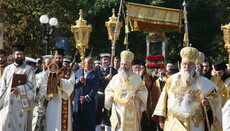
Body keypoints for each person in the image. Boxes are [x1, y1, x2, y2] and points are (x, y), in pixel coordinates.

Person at [152, 47, 222, 131]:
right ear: (180, 65)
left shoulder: (203, 82)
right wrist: (161, 117)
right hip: (173, 121)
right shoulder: (172, 79)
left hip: (195, 121)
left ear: (194, 66)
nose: (187, 67)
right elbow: (163, 99)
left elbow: (216, 97)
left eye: (190, 64)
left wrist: (208, 101)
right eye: (184, 64)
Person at [104, 50, 148, 131]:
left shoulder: (136, 78)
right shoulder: (115, 78)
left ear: (130, 65)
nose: (123, 66)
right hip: (118, 110)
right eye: (122, 64)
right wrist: (109, 97)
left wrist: (138, 95)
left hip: (131, 109)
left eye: (126, 64)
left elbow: (144, 91)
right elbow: (108, 90)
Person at [0, 45, 36, 131]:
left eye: (21, 54)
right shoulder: (8, 69)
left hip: (21, 102)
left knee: (19, 125)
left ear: (23, 55)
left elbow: (32, 85)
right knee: (4, 123)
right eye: (17, 54)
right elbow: (2, 86)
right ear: (13, 56)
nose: (19, 56)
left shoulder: (28, 69)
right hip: (7, 102)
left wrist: (19, 89)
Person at [42, 48, 75, 131]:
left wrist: (59, 81)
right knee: (51, 122)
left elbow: (71, 84)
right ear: (53, 58)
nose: (58, 60)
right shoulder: (48, 71)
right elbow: (43, 84)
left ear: (62, 58)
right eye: (56, 58)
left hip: (62, 99)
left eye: (59, 58)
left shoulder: (69, 71)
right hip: (51, 101)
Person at [73, 57, 99, 131]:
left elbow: (95, 88)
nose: (90, 65)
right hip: (78, 100)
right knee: (77, 120)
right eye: (88, 63)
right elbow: (72, 83)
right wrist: (79, 80)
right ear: (84, 63)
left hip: (89, 102)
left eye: (91, 63)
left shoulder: (95, 74)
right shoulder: (78, 72)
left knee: (88, 122)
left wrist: (86, 97)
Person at [94, 53, 117, 131]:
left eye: (107, 60)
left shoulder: (113, 70)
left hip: (109, 95)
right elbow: (94, 80)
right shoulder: (96, 69)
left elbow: (117, 81)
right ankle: (97, 128)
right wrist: (104, 78)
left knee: (108, 112)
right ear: (101, 60)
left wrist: (112, 79)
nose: (105, 61)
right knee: (97, 112)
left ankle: (108, 128)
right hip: (99, 94)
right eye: (104, 59)